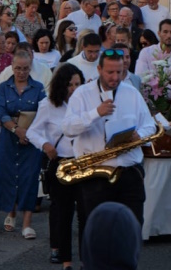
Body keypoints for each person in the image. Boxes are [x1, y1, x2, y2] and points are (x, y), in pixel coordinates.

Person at [64, 47, 157, 224]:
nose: (115, 77)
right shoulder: (82, 94)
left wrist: (140, 135)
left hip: (129, 172)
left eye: (119, 72)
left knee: (132, 226)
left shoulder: (132, 93)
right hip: (95, 173)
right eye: (110, 72)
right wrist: (95, 114)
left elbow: (149, 126)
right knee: (96, 229)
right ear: (99, 70)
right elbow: (68, 128)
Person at [31, 65, 87, 270]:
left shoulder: (85, 104)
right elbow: (33, 131)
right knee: (62, 212)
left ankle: (85, 258)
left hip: (82, 162)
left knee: (84, 212)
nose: (73, 89)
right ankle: (64, 256)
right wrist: (46, 145)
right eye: (69, 84)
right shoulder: (48, 105)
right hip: (60, 163)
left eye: (77, 84)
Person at [0, 53, 47, 239]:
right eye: (18, 68)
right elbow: (1, 112)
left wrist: (29, 133)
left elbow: (44, 113)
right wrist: (17, 130)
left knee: (29, 178)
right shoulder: (4, 87)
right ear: (12, 67)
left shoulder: (38, 88)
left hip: (32, 138)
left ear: (30, 68)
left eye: (25, 68)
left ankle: (27, 224)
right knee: (8, 175)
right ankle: (11, 211)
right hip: (9, 137)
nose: (21, 72)